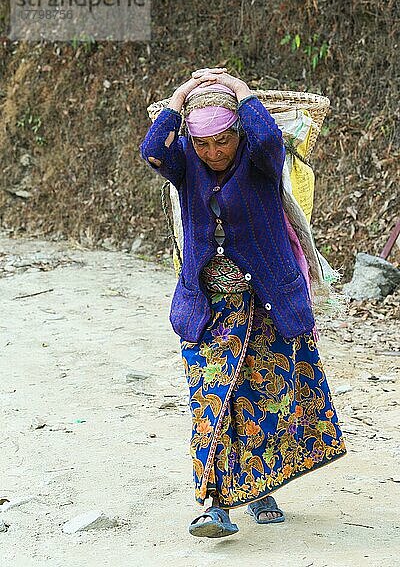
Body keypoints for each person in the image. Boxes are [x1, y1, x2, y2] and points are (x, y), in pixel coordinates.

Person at [140, 67, 346, 538]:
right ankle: (214, 506)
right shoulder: (185, 165)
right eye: (204, 143)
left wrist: (241, 92)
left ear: (237, 132)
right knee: (211, 402)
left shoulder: (260, 163)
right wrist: (179, 96)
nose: (213, 152)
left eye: (223, 140)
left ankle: (259, 488)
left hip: (265, 306)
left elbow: (270, 137)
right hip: (209, 310)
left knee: (262, 403)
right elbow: (153, 150)